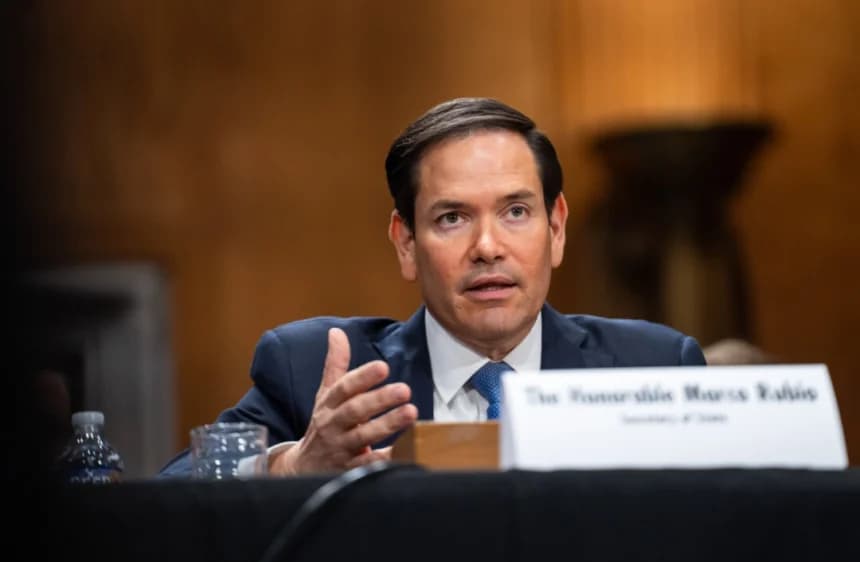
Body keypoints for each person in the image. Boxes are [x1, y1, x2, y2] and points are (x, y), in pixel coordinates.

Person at [159, 97, 705, 477]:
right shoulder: (320, 373)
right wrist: (291, 466)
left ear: (556, 228)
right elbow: (173, 500)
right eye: (451, 218)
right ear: (406, 243)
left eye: (516, 211)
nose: (488, 246)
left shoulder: (654, 368)